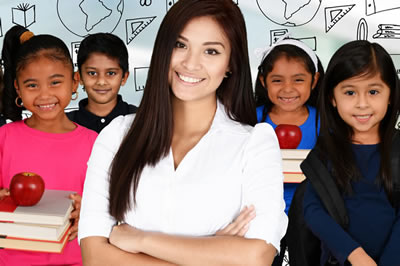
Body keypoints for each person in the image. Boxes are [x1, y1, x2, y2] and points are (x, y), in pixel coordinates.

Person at [78, 0, 287, 265]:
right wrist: (214, 252)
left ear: (230, 64)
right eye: (180, 45)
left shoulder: (256, 144)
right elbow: (95, 257)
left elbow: (257, 256)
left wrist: (141, 240)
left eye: (211, 51)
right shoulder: (117, 137)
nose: (191, 63)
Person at [0, 25, 98, 265]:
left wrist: (88, 211)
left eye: (55, 82)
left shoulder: (95, 142)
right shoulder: (4, 137)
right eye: (32, 85)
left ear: (75, 82)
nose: (44, 95)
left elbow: (111, 204)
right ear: (18, 88)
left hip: (76, 258)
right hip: (11, 258)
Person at [303, 40, 400, 265]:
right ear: (332, 98)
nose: (362, 104)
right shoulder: (326, 149)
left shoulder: (397, 149)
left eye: (373, 91)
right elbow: (313, 210)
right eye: (350, 92)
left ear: (390, 95)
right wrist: (355, 255)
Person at [254, 37, 324, 215]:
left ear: (314, 80)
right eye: (277, 80)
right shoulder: (252, 120)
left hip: (310, 214)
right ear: (263, 81)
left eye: (298, 80)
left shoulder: (323, 122)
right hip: (260, 212)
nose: (287, 89)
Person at [66, 33, 137, 133]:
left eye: (111, 73)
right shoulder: (64, 124)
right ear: (79, 77)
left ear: (124, 77)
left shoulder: (141, 119)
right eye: (92, 73)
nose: (101, 82)